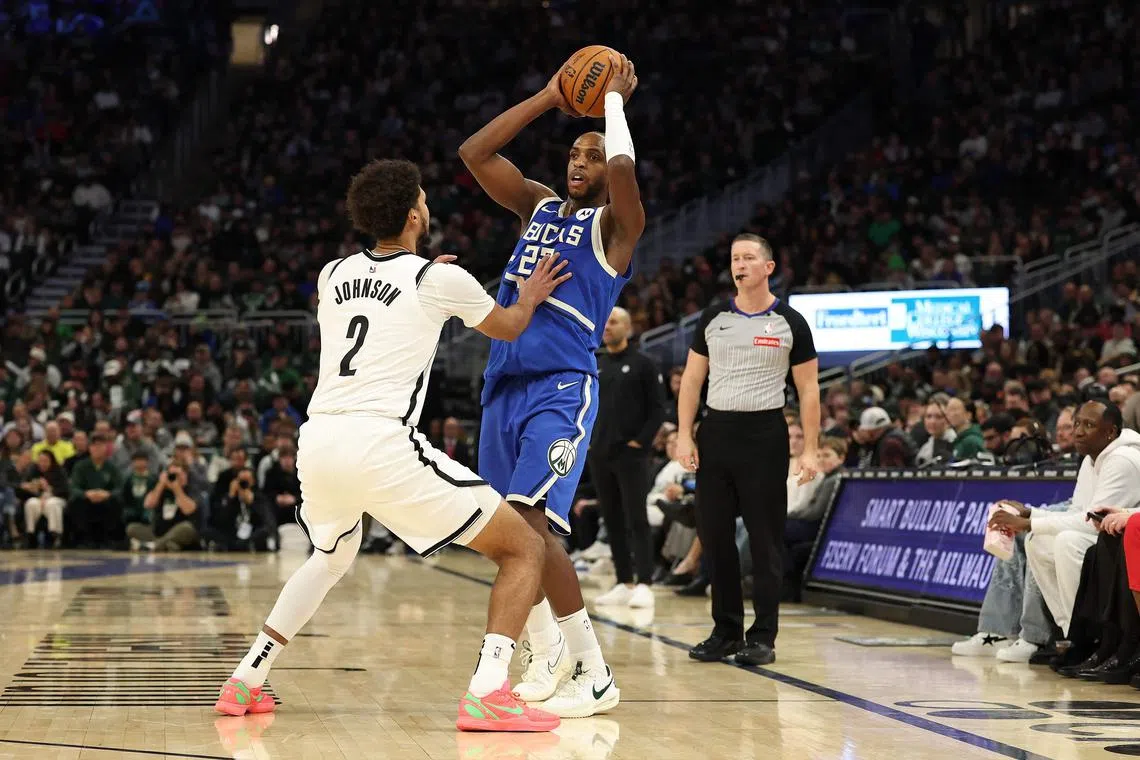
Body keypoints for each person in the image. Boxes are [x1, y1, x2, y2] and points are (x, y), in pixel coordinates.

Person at [216, 158, 571, 734]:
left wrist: (428, 283)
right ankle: (488, 692)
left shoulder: (332, 274)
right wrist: (527, 294)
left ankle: (247, 679)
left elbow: (379, 306)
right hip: (378, 442)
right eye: (425, 200)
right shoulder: (439, 279)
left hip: (319, 439)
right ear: (414, 216)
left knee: (330, 557)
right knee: (524, 549)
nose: (429, 206)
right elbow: (507, 326)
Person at [458, 55, 643, 716]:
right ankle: (555, 652)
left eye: (591, 155)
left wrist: (612, 105)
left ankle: (589, 669)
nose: (581, 161)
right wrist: (548, 95)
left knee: (532, 524)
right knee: (506, 536)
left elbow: (623, 172)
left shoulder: (614, 231)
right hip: (502, 385)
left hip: (560, 386)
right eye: (574, 151)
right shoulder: (537, 206)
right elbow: (475, 152)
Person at [674, 233, 820, 666]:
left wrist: (810, 449)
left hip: (765, 435)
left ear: (768, 267)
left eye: (750, 257)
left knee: (765, 541)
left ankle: (763, 636)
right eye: (736, 258)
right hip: (717, 432)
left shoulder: (791, 321)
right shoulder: (714, 317)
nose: (740, 264)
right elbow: (692, 380)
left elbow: (809, 391)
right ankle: (725, 630)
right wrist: (685, 434)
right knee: (715, 536)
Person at [990, 401, 1140, 643]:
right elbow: (1078, 511)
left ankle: (1093, 637)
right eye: (1077, 423)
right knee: (1037, 541)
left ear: (1110, 432)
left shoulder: (1122, 460)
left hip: (1121, 540)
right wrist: (1031, 515)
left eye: (1089, 425)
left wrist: (1030, 522)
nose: (1078, 431)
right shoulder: (1092, 458)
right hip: (1104, 536)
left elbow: (1092, 522)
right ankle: (1072, 634)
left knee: (1066, 541)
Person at [591, 307, 666, 609]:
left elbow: (658, 409)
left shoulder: (644, 364)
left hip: (631, 455)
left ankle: (645, 582)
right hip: (599, 453)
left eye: (614, 322)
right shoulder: (595, 362)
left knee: (637, 518)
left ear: (629, 328)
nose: (607, 326)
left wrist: (640, 442)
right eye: (605, 321)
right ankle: (624, 581)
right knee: (611, 520)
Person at [20, 450, 69, 548]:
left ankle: (55, 535)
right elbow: (23, 487)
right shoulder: (33, 471)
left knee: (51, 504)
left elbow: (64, 490)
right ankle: (30, 534)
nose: (42, 463)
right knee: (31, 503)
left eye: (45, 461)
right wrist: (30, 487)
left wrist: (48, 489)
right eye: (40, 461)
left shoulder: (59, 471)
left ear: (51, 461)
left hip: (57, 498)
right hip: (38, 499)